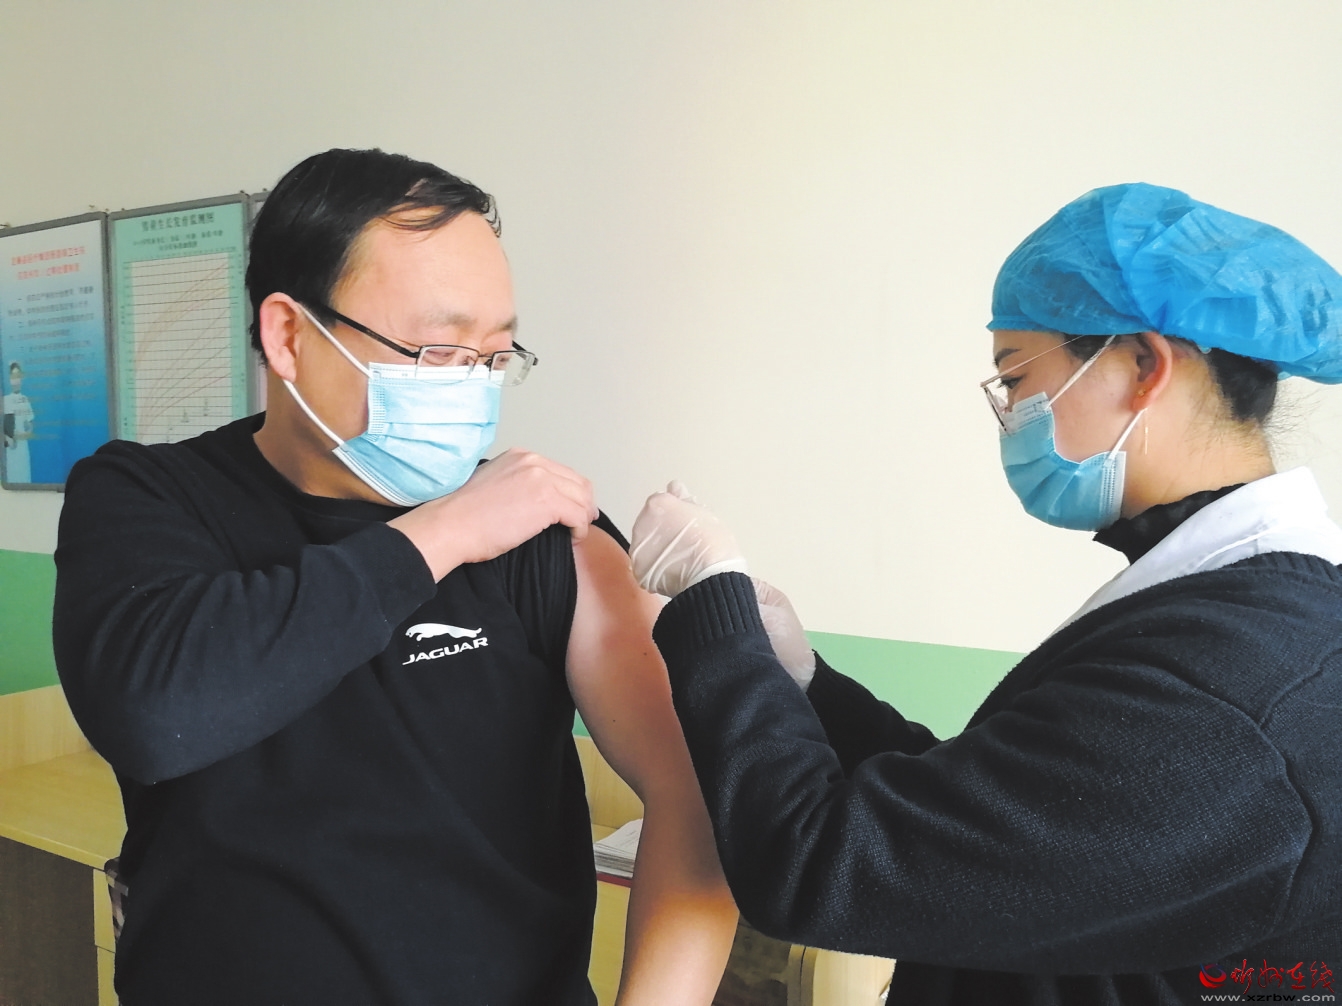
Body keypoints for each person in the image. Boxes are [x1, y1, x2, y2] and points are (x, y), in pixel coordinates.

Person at [629, 183, 1342, 1005]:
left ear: (1144, 366)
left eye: (1015, 376)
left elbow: (821, 864)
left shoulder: (1234, 689)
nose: (1009, 412)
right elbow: (994, 820)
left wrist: (711, 607)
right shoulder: (1244, 614)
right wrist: (806, 683)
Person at [54, 148, 736, 1006]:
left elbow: (699, 795)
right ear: (290, 336)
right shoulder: (148, 497)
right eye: (439, 350)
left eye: (495, 355)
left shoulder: (545, 532)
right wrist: (441, 535)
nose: (475, 388)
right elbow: (156, 717)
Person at [3, 360, 34, 482]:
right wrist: (8, 438)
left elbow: (30, 426)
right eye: (13, 377)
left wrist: (24, 434)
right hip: (10, 450)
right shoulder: (5, 400)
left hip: (22, 448)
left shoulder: (25, 400)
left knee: (24, 477)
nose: (16, 380)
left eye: (18, 376)